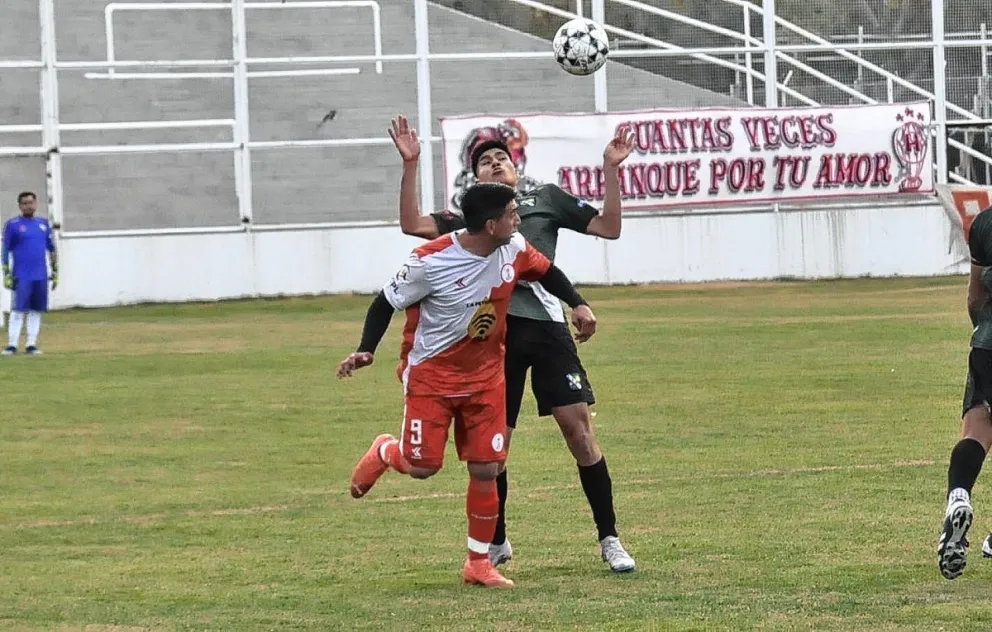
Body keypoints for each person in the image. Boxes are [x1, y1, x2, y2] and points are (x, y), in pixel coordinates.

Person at [387, 114, 637, 572]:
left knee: (580, 433)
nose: (495, 162)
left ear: (516, 166)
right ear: (475, 178)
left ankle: (610, 538)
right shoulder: (471, 218)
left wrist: (611, 169)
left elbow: (609, 227)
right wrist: (411, 164)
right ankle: (496, 540)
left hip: (548, 330)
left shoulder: (546, 199)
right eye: (484, 161)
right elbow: (411, 224)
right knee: (494, 449)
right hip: (492, 339)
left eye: (502, 156)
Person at [340, 182, 598, 588]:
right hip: (432, 378)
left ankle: (478, 563)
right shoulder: (430, 261)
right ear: (492, 225)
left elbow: (547, 272)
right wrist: (366, 350)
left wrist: (578, 303)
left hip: (486, 377)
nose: (519, 220)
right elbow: (384, 302)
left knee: (487, 467)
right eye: (512, 214)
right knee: (422, 467)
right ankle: (386, 451)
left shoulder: (513, 248)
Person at [2, 191, 58, 356]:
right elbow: (5, 249)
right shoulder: (13, 225)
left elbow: (51, 248)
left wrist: (55, 270)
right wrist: (6, 271)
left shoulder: (44, 224)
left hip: (40, 275)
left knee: (36, 310)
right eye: (25, 203)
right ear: (20, 206)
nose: (28, 206)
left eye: (31, 202)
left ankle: (31, 344)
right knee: (18, 310)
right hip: (21, 274)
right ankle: (12, 345)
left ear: (36, 204)